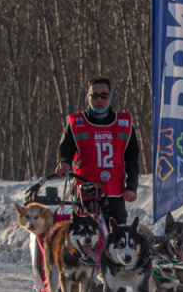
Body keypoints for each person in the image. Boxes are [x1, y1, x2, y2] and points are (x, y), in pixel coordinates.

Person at [55, 76, 140, 227]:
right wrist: (64, 163)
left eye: (104, 96)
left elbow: (132, 158)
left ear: (110, 96)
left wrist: (131, 187)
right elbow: (65, 150)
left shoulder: (124, 123)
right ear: (88, 97)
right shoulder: (76, 124)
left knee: (116, 240)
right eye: (94, 95)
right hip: (85, 192)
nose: (99, 100)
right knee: (86, 237)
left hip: (115, 192)